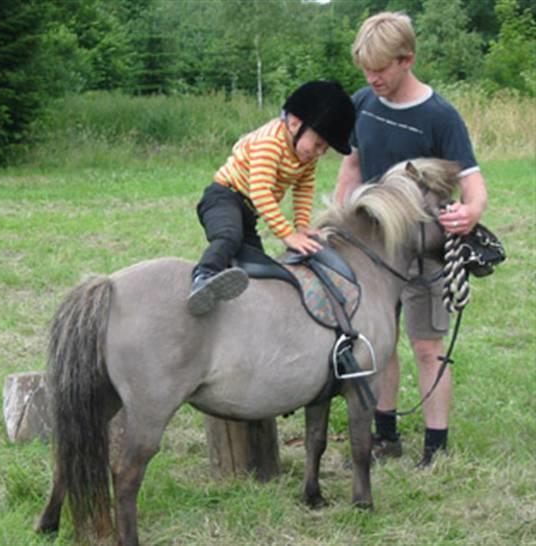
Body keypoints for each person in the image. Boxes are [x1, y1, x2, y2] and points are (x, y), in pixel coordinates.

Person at [334, 12, 488, 467]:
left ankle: (435, 449)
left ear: (408, 59)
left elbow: (473, 187)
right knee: (377, 343)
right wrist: (339, 222)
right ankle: (385, 437)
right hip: (373, 250)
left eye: (381, 69)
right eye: (366, 69)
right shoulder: (362, 102)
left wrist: (470, 212)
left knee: (426, 346)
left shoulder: (440, 116)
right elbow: (351, 168)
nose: (372, 78)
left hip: (424, 249)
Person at [187, 80, 356, 316]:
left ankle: (234, 301)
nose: (319, 152)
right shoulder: (270, 143)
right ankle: (203, 277)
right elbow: (260, 191)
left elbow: (304, 188)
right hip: (223, 197)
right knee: (228, 236)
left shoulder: (304, 155)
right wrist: (288, 234)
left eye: (325, 149)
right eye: (318, 143)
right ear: (295, 123)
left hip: (248, 211)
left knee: (257, 265)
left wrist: (302, 226)